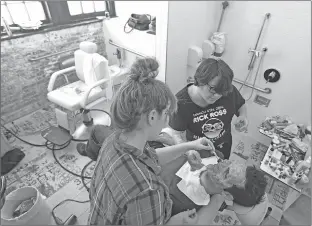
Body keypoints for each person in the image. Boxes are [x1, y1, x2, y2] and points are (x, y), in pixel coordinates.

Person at [87, 57, 218, 225]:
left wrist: (190, 146)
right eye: (166, 115)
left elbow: (151, 157)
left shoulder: (114, 140)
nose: (167, 121)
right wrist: (177, 221)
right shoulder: (147, 190)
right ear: (152, 116)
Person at [168, 58, 248, 159]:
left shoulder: (227, 91)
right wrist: (188, 151)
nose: (217, 95)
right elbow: (176, 133)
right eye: (212, 89)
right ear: (200, 80)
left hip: (224, 144)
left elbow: (241, 105)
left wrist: (243, 116)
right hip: (198, 149)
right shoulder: (181, 103)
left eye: (221, 92)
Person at [169, 151, 268, 216]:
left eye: (226, 173)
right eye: (230, 162)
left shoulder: (180, 205)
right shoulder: (214, 154)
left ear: (226, 195)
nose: (221, 163)